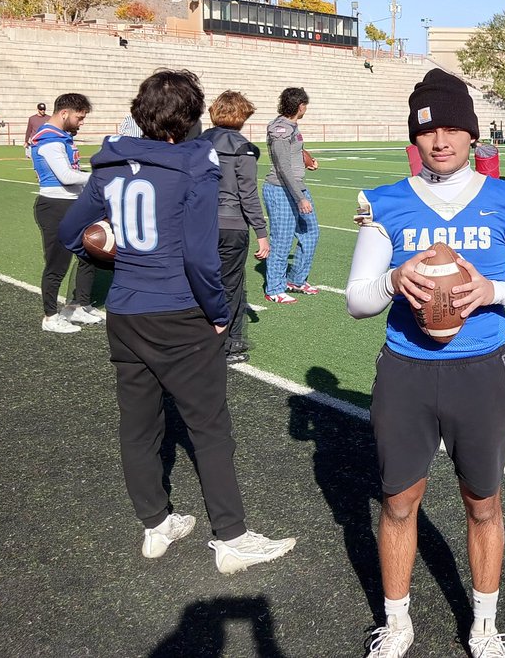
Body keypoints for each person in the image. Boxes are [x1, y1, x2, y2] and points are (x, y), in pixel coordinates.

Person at [346, 68, 505, 658]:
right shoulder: (387, 201)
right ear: (413, 139)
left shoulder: (504, 198)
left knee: (483, 502)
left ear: (471, 134)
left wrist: (491, 292)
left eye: (451, 129)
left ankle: (484, 623)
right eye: (427, 131)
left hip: (479, 371)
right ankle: (397, 622)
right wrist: (393, 280)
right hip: (406, 370)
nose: (439, 141)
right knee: (396, 502)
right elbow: (356, 300)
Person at [58, 69, 296, 574]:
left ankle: (155, 524)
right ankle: (231, 538)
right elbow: (199, 256)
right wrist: (217, 314)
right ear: (189, 117)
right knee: (209, 426)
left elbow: (70, 232)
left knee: (139, 425)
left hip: (125, 311)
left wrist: (110, 257)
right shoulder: (193, 168)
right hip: (179, 310)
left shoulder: (109, 165)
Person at [200, 91, 271, 365]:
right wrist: (262, 234)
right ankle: (227, 343)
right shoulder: (243, 148)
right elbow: (248, 195)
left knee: (202, 281)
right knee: (231, 285)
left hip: (201, 223)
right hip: (231, 224)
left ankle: (203, 336)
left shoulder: (198, 143)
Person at [31, 93, 101, 333]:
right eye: (79, 118)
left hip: (72, 203)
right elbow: (66, 177)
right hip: (55, 206)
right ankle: (50, 316)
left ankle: (77, 305)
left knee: (89, 254)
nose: (81, 123)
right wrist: (99, 177)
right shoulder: (49, 139)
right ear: (64, 113)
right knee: (57, 263)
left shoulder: (61, 137)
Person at [262, 87, 320, 303]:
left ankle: (296, 279)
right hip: (281, 190)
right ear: (300, 106)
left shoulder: (291, 126)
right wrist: (300, 198)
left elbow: (297, 149)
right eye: (305, 105)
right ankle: (274, 288)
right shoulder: (280, 129)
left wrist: (309, 161)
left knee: (311, 233)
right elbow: (283, 167)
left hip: (297, 187)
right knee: (282, 240)